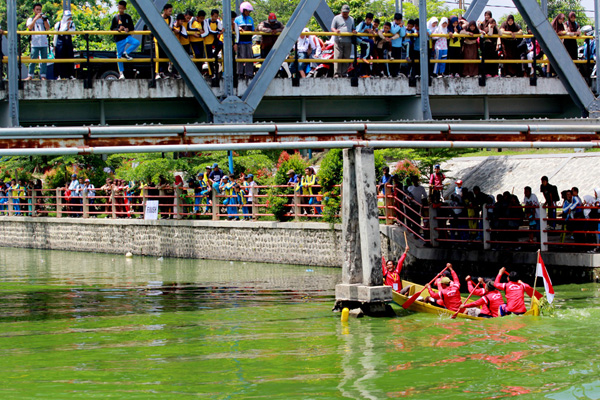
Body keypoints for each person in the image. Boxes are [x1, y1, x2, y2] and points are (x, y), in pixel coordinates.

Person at [110, 1, 139, 80]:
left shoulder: (128, 17)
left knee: (136, 42)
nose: (120, 10)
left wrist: (127, 29)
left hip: (127, 37)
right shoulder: (115, 17)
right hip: (119, 39)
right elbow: (111, 29)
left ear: (125, 8)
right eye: (119, 8)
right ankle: (121, 73)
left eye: (122, 8)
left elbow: (132, 27)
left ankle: (126, 53)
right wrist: (118, 29)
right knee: (119, 56)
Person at [26, 3, 50, 80]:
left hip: (44, 41)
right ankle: (30, 75)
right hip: (35, 42)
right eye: (37, 9)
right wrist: (36, 18)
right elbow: (30, 27)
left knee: (44, 59)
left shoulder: (44, 19)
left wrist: (44, 19)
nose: (39, 11)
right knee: (33, 59)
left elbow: (48, 28)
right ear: (34, 10)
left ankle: (43, 75)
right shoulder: (31, 19)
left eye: (40, 9)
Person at [331, 4, 356, 78]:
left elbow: (353, 28)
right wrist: (336, 31)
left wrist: (354, 31)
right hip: (339, 40)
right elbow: (332, 28)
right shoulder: (336, 18)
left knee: (346, 57)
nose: (345, 13)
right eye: (344, 12)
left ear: (348, 12)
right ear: (341, 11)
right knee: (338, 56)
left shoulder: (351, 19)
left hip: (348, 41)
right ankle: (337, 73)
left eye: (346, 12)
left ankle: (344, 73)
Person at [53, 10, 76, 80]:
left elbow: (73, 33)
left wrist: (68, 28)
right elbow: (56, 35)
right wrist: (54, 45)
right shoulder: (59, 24)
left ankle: (70, 75)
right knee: (59, 58)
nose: (69, 19)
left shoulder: (72, 24)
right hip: (60, 43)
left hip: (68, 42)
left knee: (69, 57)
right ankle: (60, 75)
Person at [154, 4, 174, 80]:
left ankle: (164, 72)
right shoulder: (159, 18)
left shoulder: (170, 18)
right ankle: (157, 73)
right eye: (169, 11)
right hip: (158, 40)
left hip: (166, 40)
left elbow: (170, 27)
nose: (170, 12)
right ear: (165, 10)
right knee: (158, 56)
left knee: (165, 56)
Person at [235, 2, 255, 80]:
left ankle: (249, 73)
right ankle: (240, 73)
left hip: (249, 42)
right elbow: (235, 29)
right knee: (240, 58)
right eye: (247, 11)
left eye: (249, 11)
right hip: (241, 42)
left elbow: (253, 30)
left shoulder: (250, 19)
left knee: (249, 58)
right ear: (243, 10)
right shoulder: (237, 19)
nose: (248, 13)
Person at [204, 9, 223, 77]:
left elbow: (220, 29)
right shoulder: (207, 21)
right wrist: (218, 32)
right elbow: (210, 31)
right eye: (214, 16)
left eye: (217, 16)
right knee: (209, 58)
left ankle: (215, 54)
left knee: (221, 44)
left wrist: (220, 31)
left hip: (214, 40)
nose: (215, 18)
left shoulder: (217, 22)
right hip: (207, 41)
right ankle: (211, 73)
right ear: (211, 16)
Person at [390, 13, 406, 77]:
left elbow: (402, 34)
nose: (398, 22)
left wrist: (401, 27)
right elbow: (393, 31)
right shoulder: (391, 25)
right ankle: (391, 73)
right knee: (392, 60)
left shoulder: (402, 26)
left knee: (398, 60)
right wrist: (399, 26)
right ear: (394, 19)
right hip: (392, 45)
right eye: (397, 20)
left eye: (399, 20)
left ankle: (396, 73)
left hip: (399, 46)